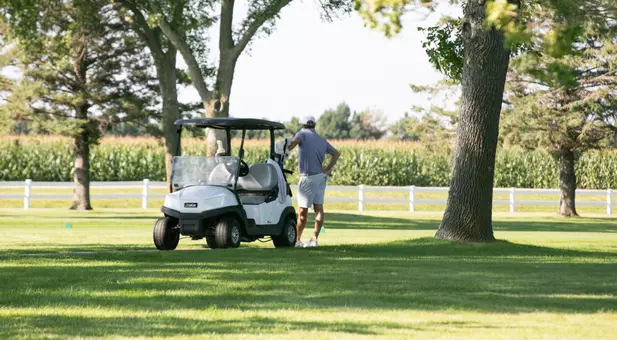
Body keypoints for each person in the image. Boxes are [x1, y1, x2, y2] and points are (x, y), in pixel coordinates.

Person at [287, 115, 340, 248]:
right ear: (314, 125)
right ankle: (314, 239)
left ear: (303, 125)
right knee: (318, 208)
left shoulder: (302, 134)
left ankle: (297, 240)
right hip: (321, 177)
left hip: (308, 177)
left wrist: (288, 147)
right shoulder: (322, 140)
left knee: (302, 211)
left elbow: (295, 141)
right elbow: (336, 153)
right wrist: (327, 169)